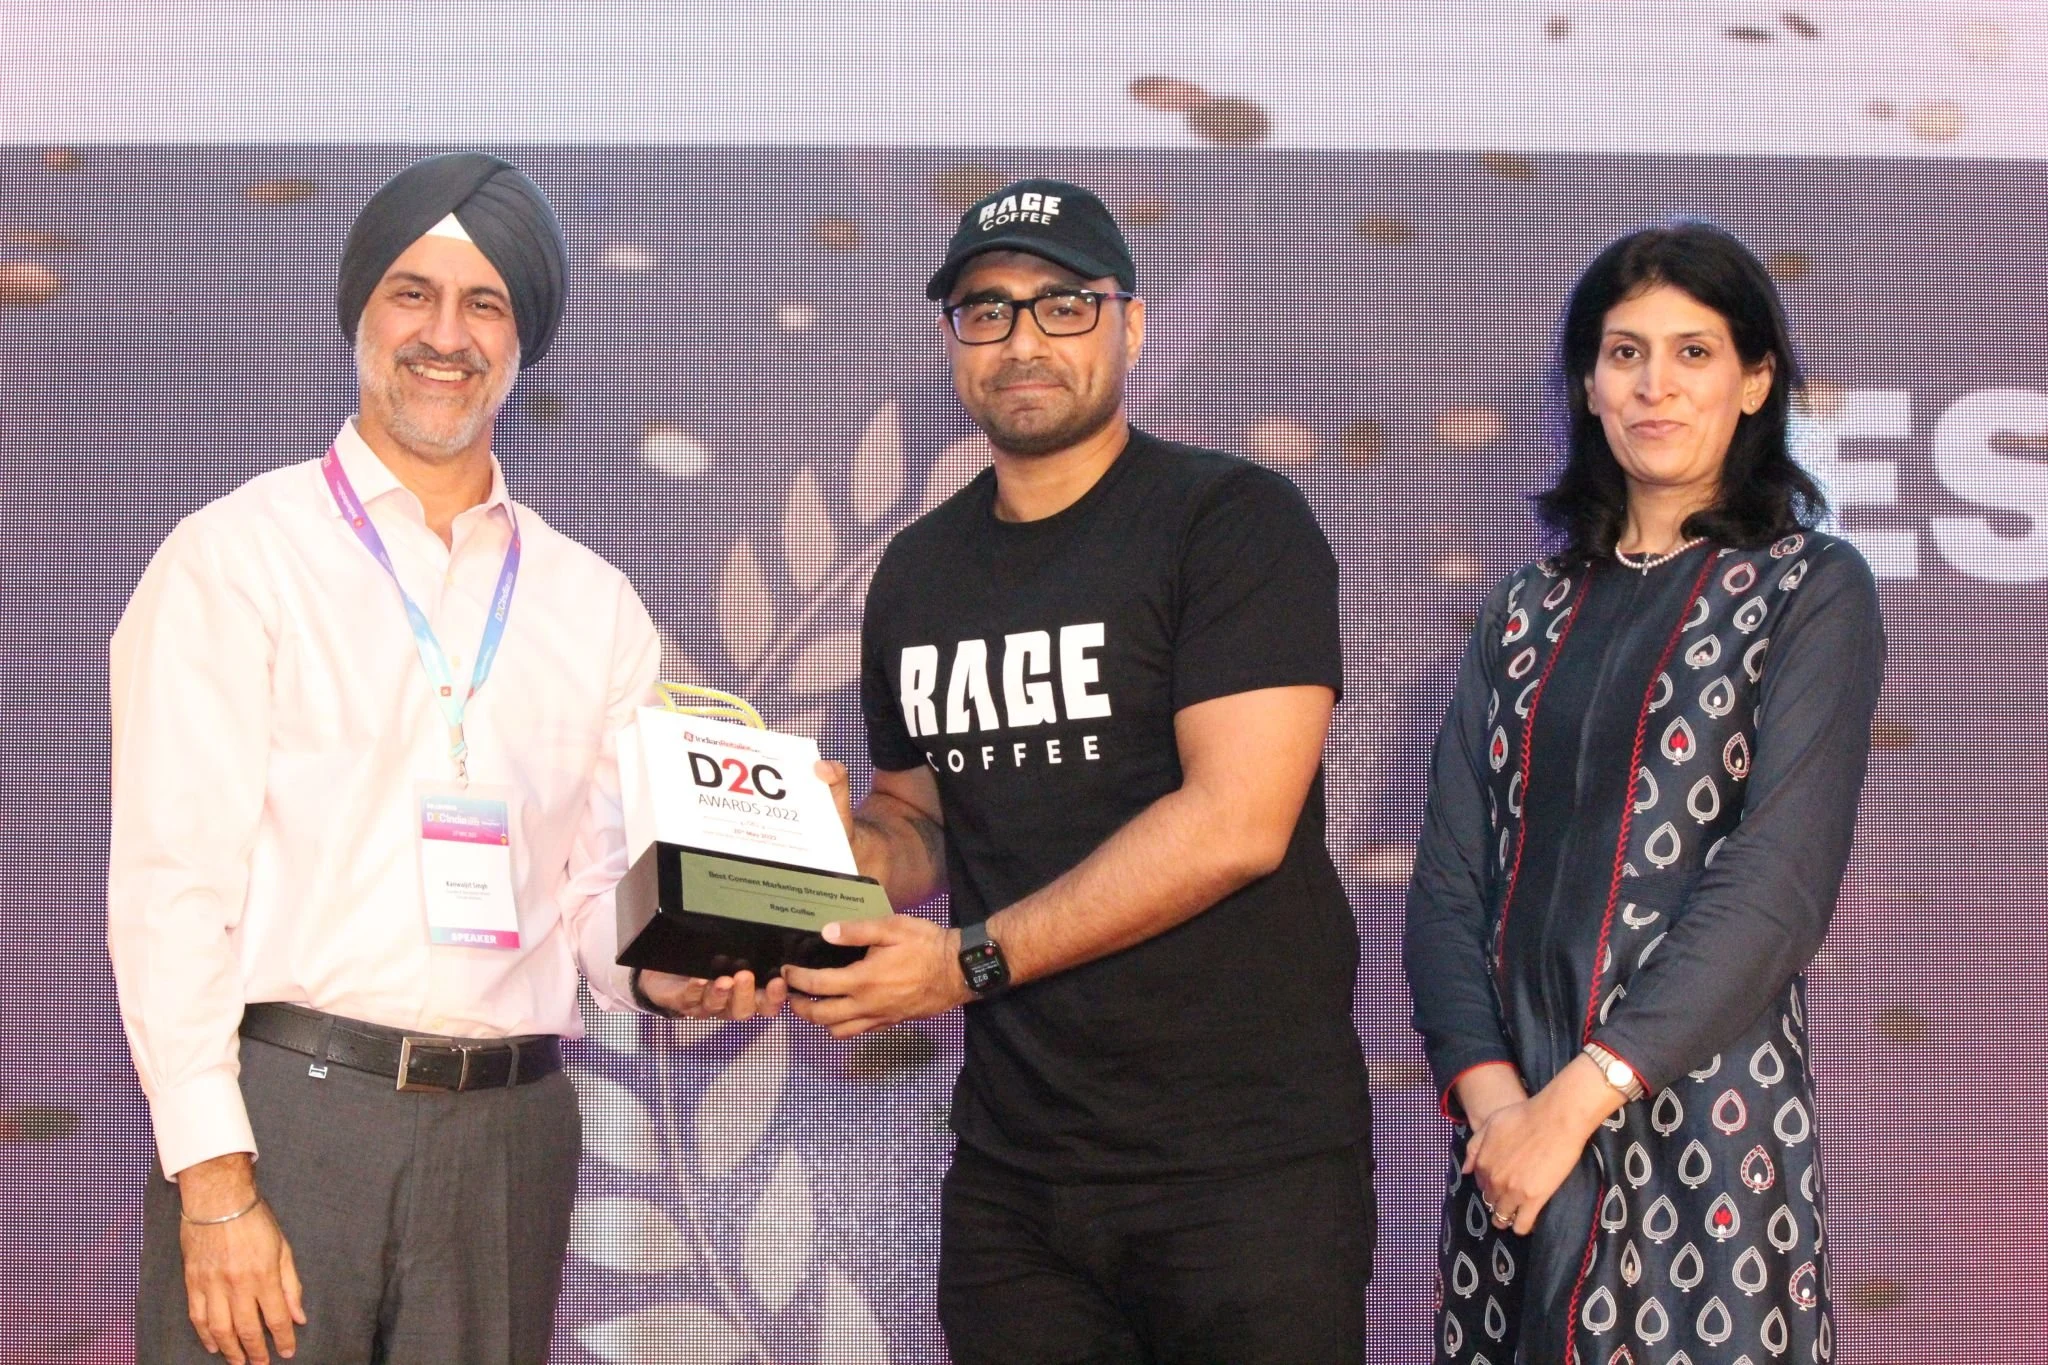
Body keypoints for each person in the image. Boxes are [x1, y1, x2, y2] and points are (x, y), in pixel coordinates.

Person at [108, 152, 780, 1365]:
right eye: (412, 293)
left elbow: (589, 901)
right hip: (288, 1125)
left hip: (509, 1143)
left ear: (523, 342)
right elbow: (170, 891)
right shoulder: (233, 558)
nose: (445, 335)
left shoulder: (592, 604)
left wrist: (677, 971)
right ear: (360, 308)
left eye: (486, 304)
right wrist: (213, 1183)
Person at [780, 178, 1375, 1363]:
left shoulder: (1231, 520)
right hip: (1016, 1182)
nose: (1021, 340)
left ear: (1130, 323)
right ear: (952, 342)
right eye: (985, 311)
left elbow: (1235, 823)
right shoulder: (915, 574)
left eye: (1061, 304)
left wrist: (964, 964)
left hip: (1242, 1175)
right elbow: (920, 825)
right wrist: (821, 854)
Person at [1403, 221, 1883, 1364]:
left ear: (1755, 379)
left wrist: (1574, 1103)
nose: (1653, 385)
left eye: (1693, 351)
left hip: (1699, 1120)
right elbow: (1444, 889)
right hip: (1508, 1140)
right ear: (1585, 383)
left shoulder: (1807, 589)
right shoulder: (1521, 610)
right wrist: (1497, 1113)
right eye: (1624, 354)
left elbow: (1775, 887)